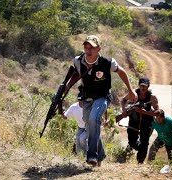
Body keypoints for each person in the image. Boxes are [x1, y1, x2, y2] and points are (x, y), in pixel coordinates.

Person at [67, 35, 138, 167]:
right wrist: (67, 87)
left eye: (92, 47)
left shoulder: (107, 62)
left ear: (99, 48)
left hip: (102, 97)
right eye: (86, 47)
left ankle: (92, 154)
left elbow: (121, 72)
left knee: (94, 119)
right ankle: (101, 155)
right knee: (90, 128)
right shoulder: (78, 61)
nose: (88, 50)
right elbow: (76, 74)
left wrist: (131, 89)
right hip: (87, 98)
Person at [120, 77, 159, 164]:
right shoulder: (133, 93)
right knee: (132, 142)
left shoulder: (152, 97)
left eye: (145, 86)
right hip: (134, 121)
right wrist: (124, 110)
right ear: (139, 85)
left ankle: (140, 162)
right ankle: (139, 148)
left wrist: (145, 112)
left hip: (147, 122)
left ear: (148, 86)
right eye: (141, 86)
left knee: (144, 142)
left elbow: (157, 112)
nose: (143, 88)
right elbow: (123, 100)